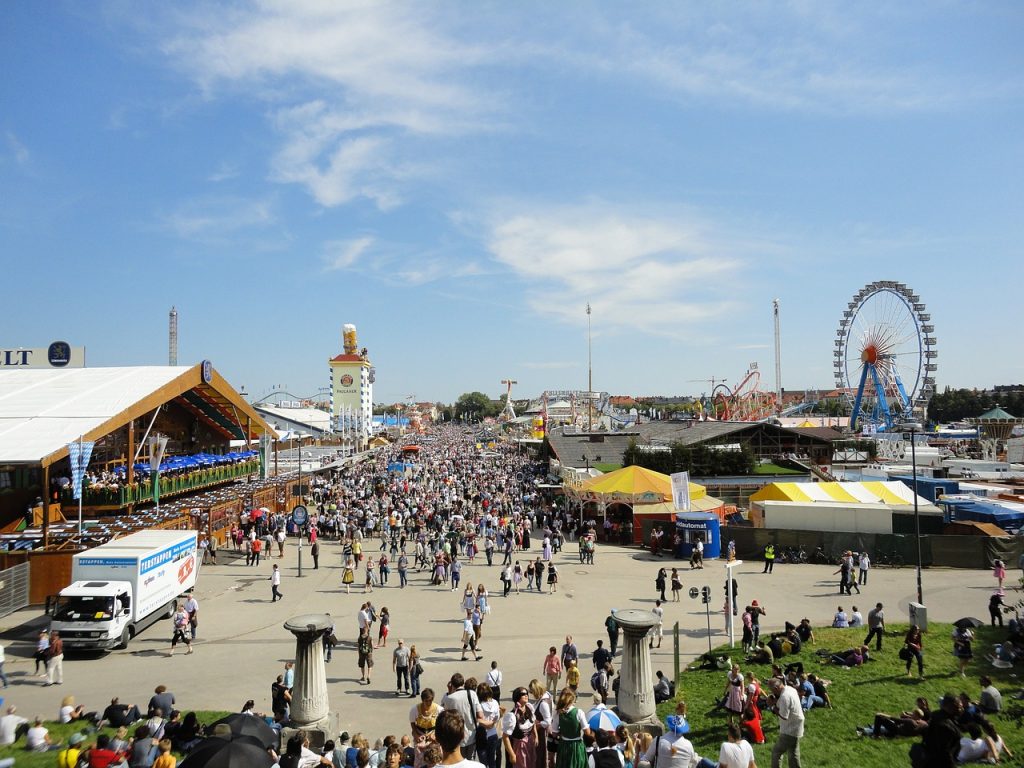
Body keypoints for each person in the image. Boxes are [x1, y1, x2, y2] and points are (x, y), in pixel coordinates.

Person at [638, 713, 714, 768]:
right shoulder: (688, 745)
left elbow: (646, 759)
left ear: (670, 726)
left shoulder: (658, 741)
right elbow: (694, 761)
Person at [440, 672, 483, 759]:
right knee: (470, 761)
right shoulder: (472, 694)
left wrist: (449, 691)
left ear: (451, 684)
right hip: (472, 735)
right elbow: (480, 715)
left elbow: (442, 713)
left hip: (456, 737)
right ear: (463, 683)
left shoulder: (449, 698)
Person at [917, 693, 961, 768]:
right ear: (952, 706)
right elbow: (945, 752)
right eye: (959, 707)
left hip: (929, 759)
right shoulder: (945, 725)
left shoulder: (935, 714)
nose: (961, 709)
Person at [550, 688, 590, 768]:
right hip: (577, 745)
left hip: (564, 745)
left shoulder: (558, 713)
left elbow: (554, 733)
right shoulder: (579, 712)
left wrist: (562, 731)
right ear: (573, 699)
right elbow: (587, 732)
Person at [768, 676, 803, 768]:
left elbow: (784, 716)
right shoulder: (790, 689)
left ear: (776, 688)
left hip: (789, 729)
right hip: (797, 725)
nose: (772, 692)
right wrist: (776, 701)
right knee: (793, 753)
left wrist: (772, 706)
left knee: (777, 752)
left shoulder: (784, 697)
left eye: (772, 690)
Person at [501, 687, 537, 768]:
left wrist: (536, 736)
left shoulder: (530, 708)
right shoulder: (512, 716)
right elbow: (505, 737)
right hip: (520, 746)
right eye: (523, 694)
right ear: (517, 697)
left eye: (526, 693)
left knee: (531, 764)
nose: (526, 695)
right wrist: (512, 754)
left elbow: (533, 722)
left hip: (530, 743)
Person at [477, 682, 501, 768]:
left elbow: (478, 720)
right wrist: (492, 723)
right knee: (492, 760)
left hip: (483, 735)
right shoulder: (495, 702)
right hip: (493, 734)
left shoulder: (479, 705)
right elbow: (497, 717)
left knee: (483, 762)